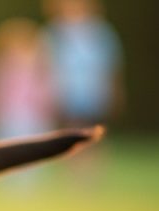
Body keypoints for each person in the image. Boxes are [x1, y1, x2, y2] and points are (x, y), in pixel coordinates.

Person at [0, 18, 56, 190]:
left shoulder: (39, 62)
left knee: (31, 145)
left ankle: (28, 183)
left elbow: (47, 86)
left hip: (32, 113)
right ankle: (9, 183)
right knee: (5, 144)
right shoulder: (1, 61)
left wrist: (48, 105)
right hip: (7, 112)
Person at [42, 0, 124, 128]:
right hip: (64, 93)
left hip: (95, 92)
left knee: (96, 130)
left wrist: (115, 91)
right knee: (71, 131)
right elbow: (45, 66)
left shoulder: (101, 32)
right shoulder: (53, 33)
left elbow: (110, 65)